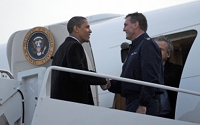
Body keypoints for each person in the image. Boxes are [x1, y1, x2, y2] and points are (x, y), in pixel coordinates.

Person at [103, 12, 164, 116]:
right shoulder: (135, 47)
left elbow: (151, 78)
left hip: (142, 103)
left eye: (126, 25)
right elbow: (129, 81)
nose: (124, 29)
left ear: (136, 25)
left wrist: (143, 104)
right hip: (133, 102)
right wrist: (110, 84)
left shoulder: (147, 45)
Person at [51, 16, 108, 105]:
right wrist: (102, 80)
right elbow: (79, 74)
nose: (90, 31)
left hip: (62, 104)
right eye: (87, 27)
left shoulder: (61, 49)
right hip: (74, 104)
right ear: (76, 28)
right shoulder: (74, 46)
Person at [154, 36, 183, 119]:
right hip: (149, 114)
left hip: (170, 115)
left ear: (168, 54)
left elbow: (169, 81)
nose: (156, 52)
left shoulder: (176, 69)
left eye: (160, 49)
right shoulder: (143, 69)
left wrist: (154, 67)